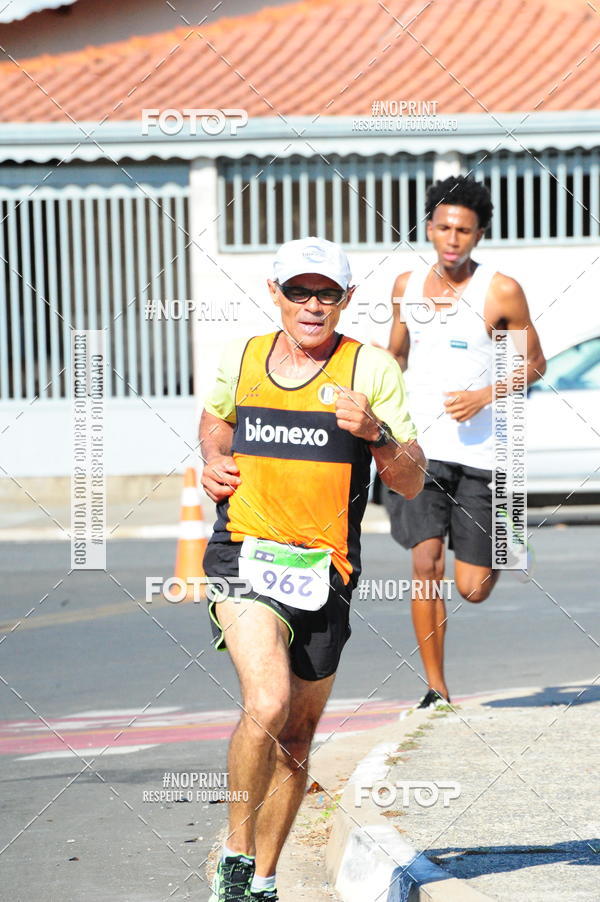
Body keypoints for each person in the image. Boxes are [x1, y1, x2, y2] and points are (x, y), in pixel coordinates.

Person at [199, 236, 425, 902]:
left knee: (297, 737)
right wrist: (214, 456)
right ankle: (235, 860)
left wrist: (377, 433)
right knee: (266, 703)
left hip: (326, 573)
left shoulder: (371, 368)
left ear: (345, 300)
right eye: (299, 291)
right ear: (277, 295)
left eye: (326, 293)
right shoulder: (241, 357)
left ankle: (264, 880)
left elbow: (411, 483)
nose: (312, 305)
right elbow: (217, 419)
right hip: (243, 552)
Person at [386, 175, 546, 709]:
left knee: (473, 588)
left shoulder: (501, 290)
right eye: (444, 227)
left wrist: (484, 394)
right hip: (420, 451)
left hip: (483, 454)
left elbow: (535, 363)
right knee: (424, 562)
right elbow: (396, 357)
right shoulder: (405, 286)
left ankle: (508, 536)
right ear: (429, 228)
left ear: (479, 235)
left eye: (465, 231)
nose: (453, 239)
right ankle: (436, 688)